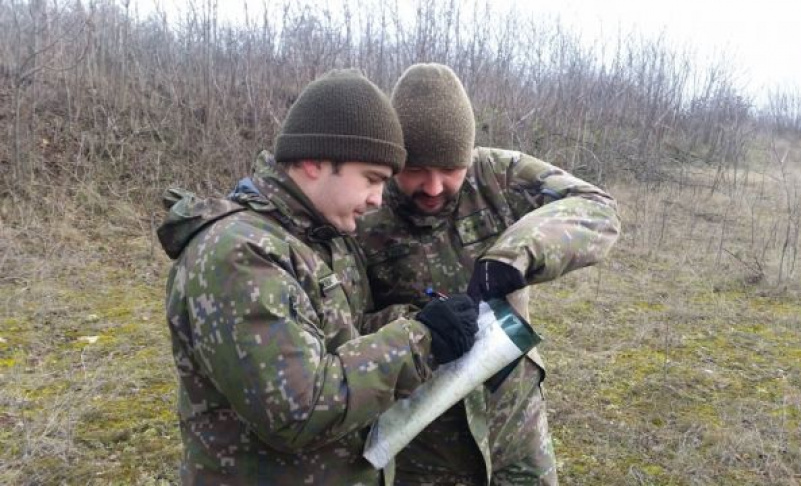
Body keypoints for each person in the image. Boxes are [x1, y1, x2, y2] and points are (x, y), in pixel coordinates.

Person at [158, 69, 479, 485]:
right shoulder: (239, 254)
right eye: (371, 179)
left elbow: (339, 338)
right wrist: (421, 340)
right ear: (314, 162)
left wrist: (421, 318)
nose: (377, 199)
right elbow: (298, 409)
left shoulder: (322, 239)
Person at [356, 63, 622, 485]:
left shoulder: (497, 176)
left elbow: (596, 208)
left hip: (514, 420)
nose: (434, 186)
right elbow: (339, 330)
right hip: (423, 440)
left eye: (450, 169)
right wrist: (417, 327)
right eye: (416, 169)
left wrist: (517, 255)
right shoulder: (363, 207)